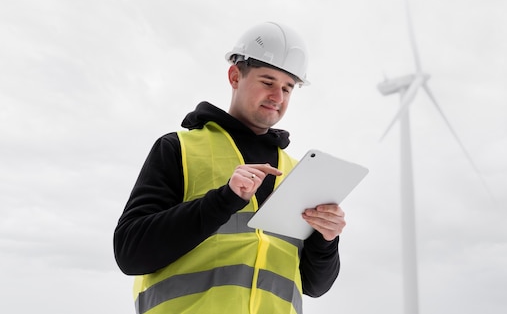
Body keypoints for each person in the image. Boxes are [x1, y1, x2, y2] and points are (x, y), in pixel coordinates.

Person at [113, 22, 346, 314]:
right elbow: (130, 253)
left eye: (288, 88)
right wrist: (223, 200)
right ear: (235, 76)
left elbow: (314, 285)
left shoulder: (297, 173)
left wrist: (327, 239)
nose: (278, 97)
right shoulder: (179, 149)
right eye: (267, 82)